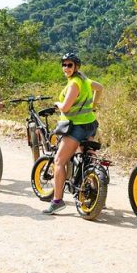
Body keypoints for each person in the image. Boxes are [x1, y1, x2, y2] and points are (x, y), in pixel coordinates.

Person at [43, 52, 103, 215]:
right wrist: (94, 105)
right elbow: (100, 88)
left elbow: (66, 107)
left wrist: (57, 103)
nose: (66, 68)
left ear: (76, 67)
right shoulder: (85, 80)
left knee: (59, 161)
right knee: (88, 157)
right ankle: (97, 191)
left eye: (70, 65)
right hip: (90, 124)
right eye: (64, 65)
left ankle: (57, 201)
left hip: (76, 127)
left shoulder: (74, 83)